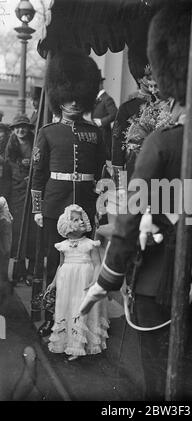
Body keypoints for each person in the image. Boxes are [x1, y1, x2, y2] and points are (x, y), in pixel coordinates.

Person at [80, 5, 192, 401]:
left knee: (158, 381)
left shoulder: (161, 143)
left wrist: (106, 282)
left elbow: (127, 222)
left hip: (158, 278)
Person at [31, 49, 106, 337]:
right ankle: (53, 317)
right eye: (68, 95)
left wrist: (100, 203)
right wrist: (38, 209)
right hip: (53, 204)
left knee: (83, 265)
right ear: (58, 96)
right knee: (55, 263)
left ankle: (79, 317)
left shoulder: (95, 132)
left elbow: (102, 172)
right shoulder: (49, 132)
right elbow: (38, 174)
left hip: (85, 204)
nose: (74, 101)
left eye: (79, 95)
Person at [47, 204, 109, 361]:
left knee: (81, 308)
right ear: (67, 226)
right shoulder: (63, 246)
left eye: (81, 218)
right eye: (75, 220)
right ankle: (69, 342)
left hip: (84, 281)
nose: (81, 221)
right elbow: (61, 266)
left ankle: (80, 346)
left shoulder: (90, 244)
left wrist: (95, 281)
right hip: (66, 282)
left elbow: (97, 264)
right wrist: (54, 282)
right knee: (67, 307)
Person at [5, 115, 36, 286]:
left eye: (23, 127)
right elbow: (9, 168)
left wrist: (31, 171)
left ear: (28, 128)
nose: (20, 130)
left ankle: (32, 271)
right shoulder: (11, 145)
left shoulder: (36, 141)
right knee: (18, 232)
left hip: (33, 191)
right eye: (17, 128)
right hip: (17, 193)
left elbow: (42, 163)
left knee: (33, 232)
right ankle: (19, 270)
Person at [92, 70, 117, 161]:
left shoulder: (107, 99)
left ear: (100, 84)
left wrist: (101, 122)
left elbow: (115, 113)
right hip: (95, 133)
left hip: (104, 134)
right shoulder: (95, 98)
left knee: (102, 157)